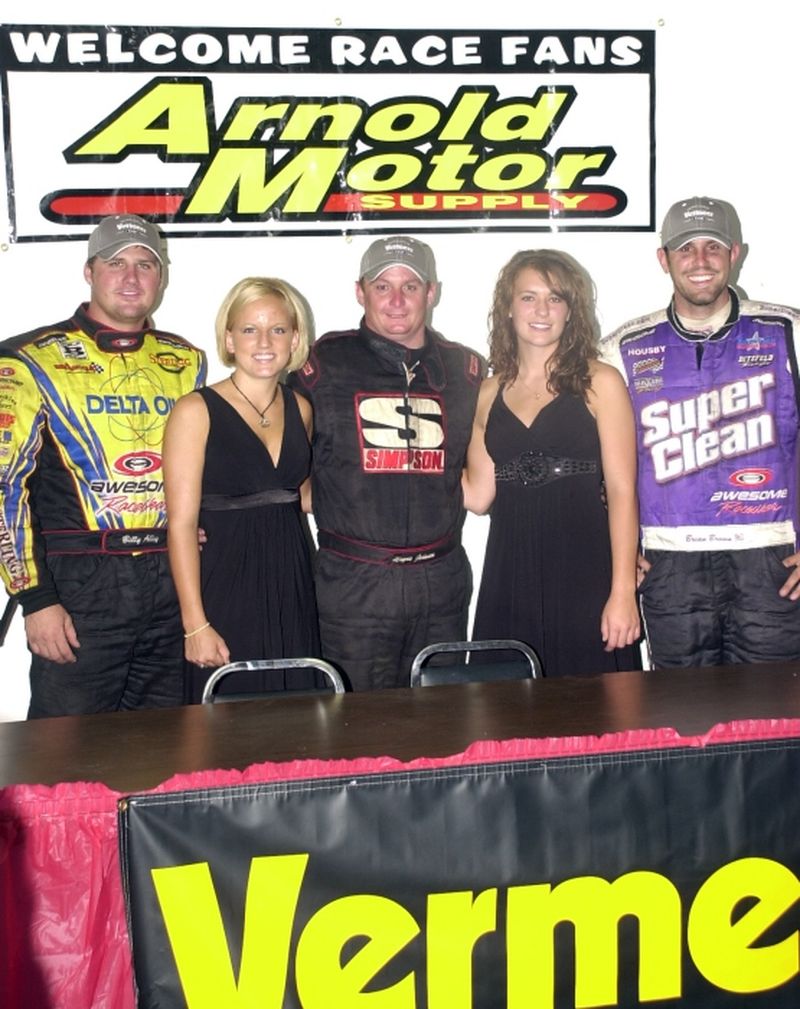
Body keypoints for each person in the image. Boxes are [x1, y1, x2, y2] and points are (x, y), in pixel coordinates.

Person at [0, 214, 206, 716]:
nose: (131, 278)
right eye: (115, 264)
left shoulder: (187, 360)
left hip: (168, 581)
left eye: (145, 265)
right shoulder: (28, 359)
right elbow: (5, 487)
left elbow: (202, 468)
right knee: (62, 758)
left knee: (164, 748)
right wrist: (36, 598)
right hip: (79, 585)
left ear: (162, 277)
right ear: (89, 272)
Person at [601, 196, 800, 667]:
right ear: (663, 259)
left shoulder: (786, 330)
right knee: (682, 717)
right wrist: (619, 552)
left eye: (713, 247)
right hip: (669, 562)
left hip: (770, 557)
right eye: (686, 249)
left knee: (772, 718)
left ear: (735, 253)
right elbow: (600, 464)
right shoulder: (622, 348)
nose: (701, 261)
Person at [289, 235, 485, 690]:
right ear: (360, 291)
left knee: (442, 730)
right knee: (353, 733)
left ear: (432, 292)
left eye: (411, 287)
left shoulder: (466, 369)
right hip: (353, 585)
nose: (396, 301)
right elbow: (279, 468)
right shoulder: (321, 363)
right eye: (382, 286)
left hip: (442, 581)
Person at [462, 250, 640, 676]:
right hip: (510, 573)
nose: (541, 310)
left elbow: (621, 492)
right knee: (509, 716)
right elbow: (478, 496)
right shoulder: (487, 392)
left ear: (571, 311)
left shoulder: (600, 381)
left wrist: (622, 593)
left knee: (596, 713)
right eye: (528, 297)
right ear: (508, 306)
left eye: (555, 298)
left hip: (584, 571)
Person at [163, 277, 321, 701]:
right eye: (250, 329)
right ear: (229, 339)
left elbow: (297, 497)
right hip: (225, 587)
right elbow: (179, 525)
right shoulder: (195, 411)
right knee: (224, 731)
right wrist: (194, 624)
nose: (264, 341)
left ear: (295, 338)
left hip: (293, 582)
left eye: (278, 329)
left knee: (296, 719)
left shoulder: (300, 408)